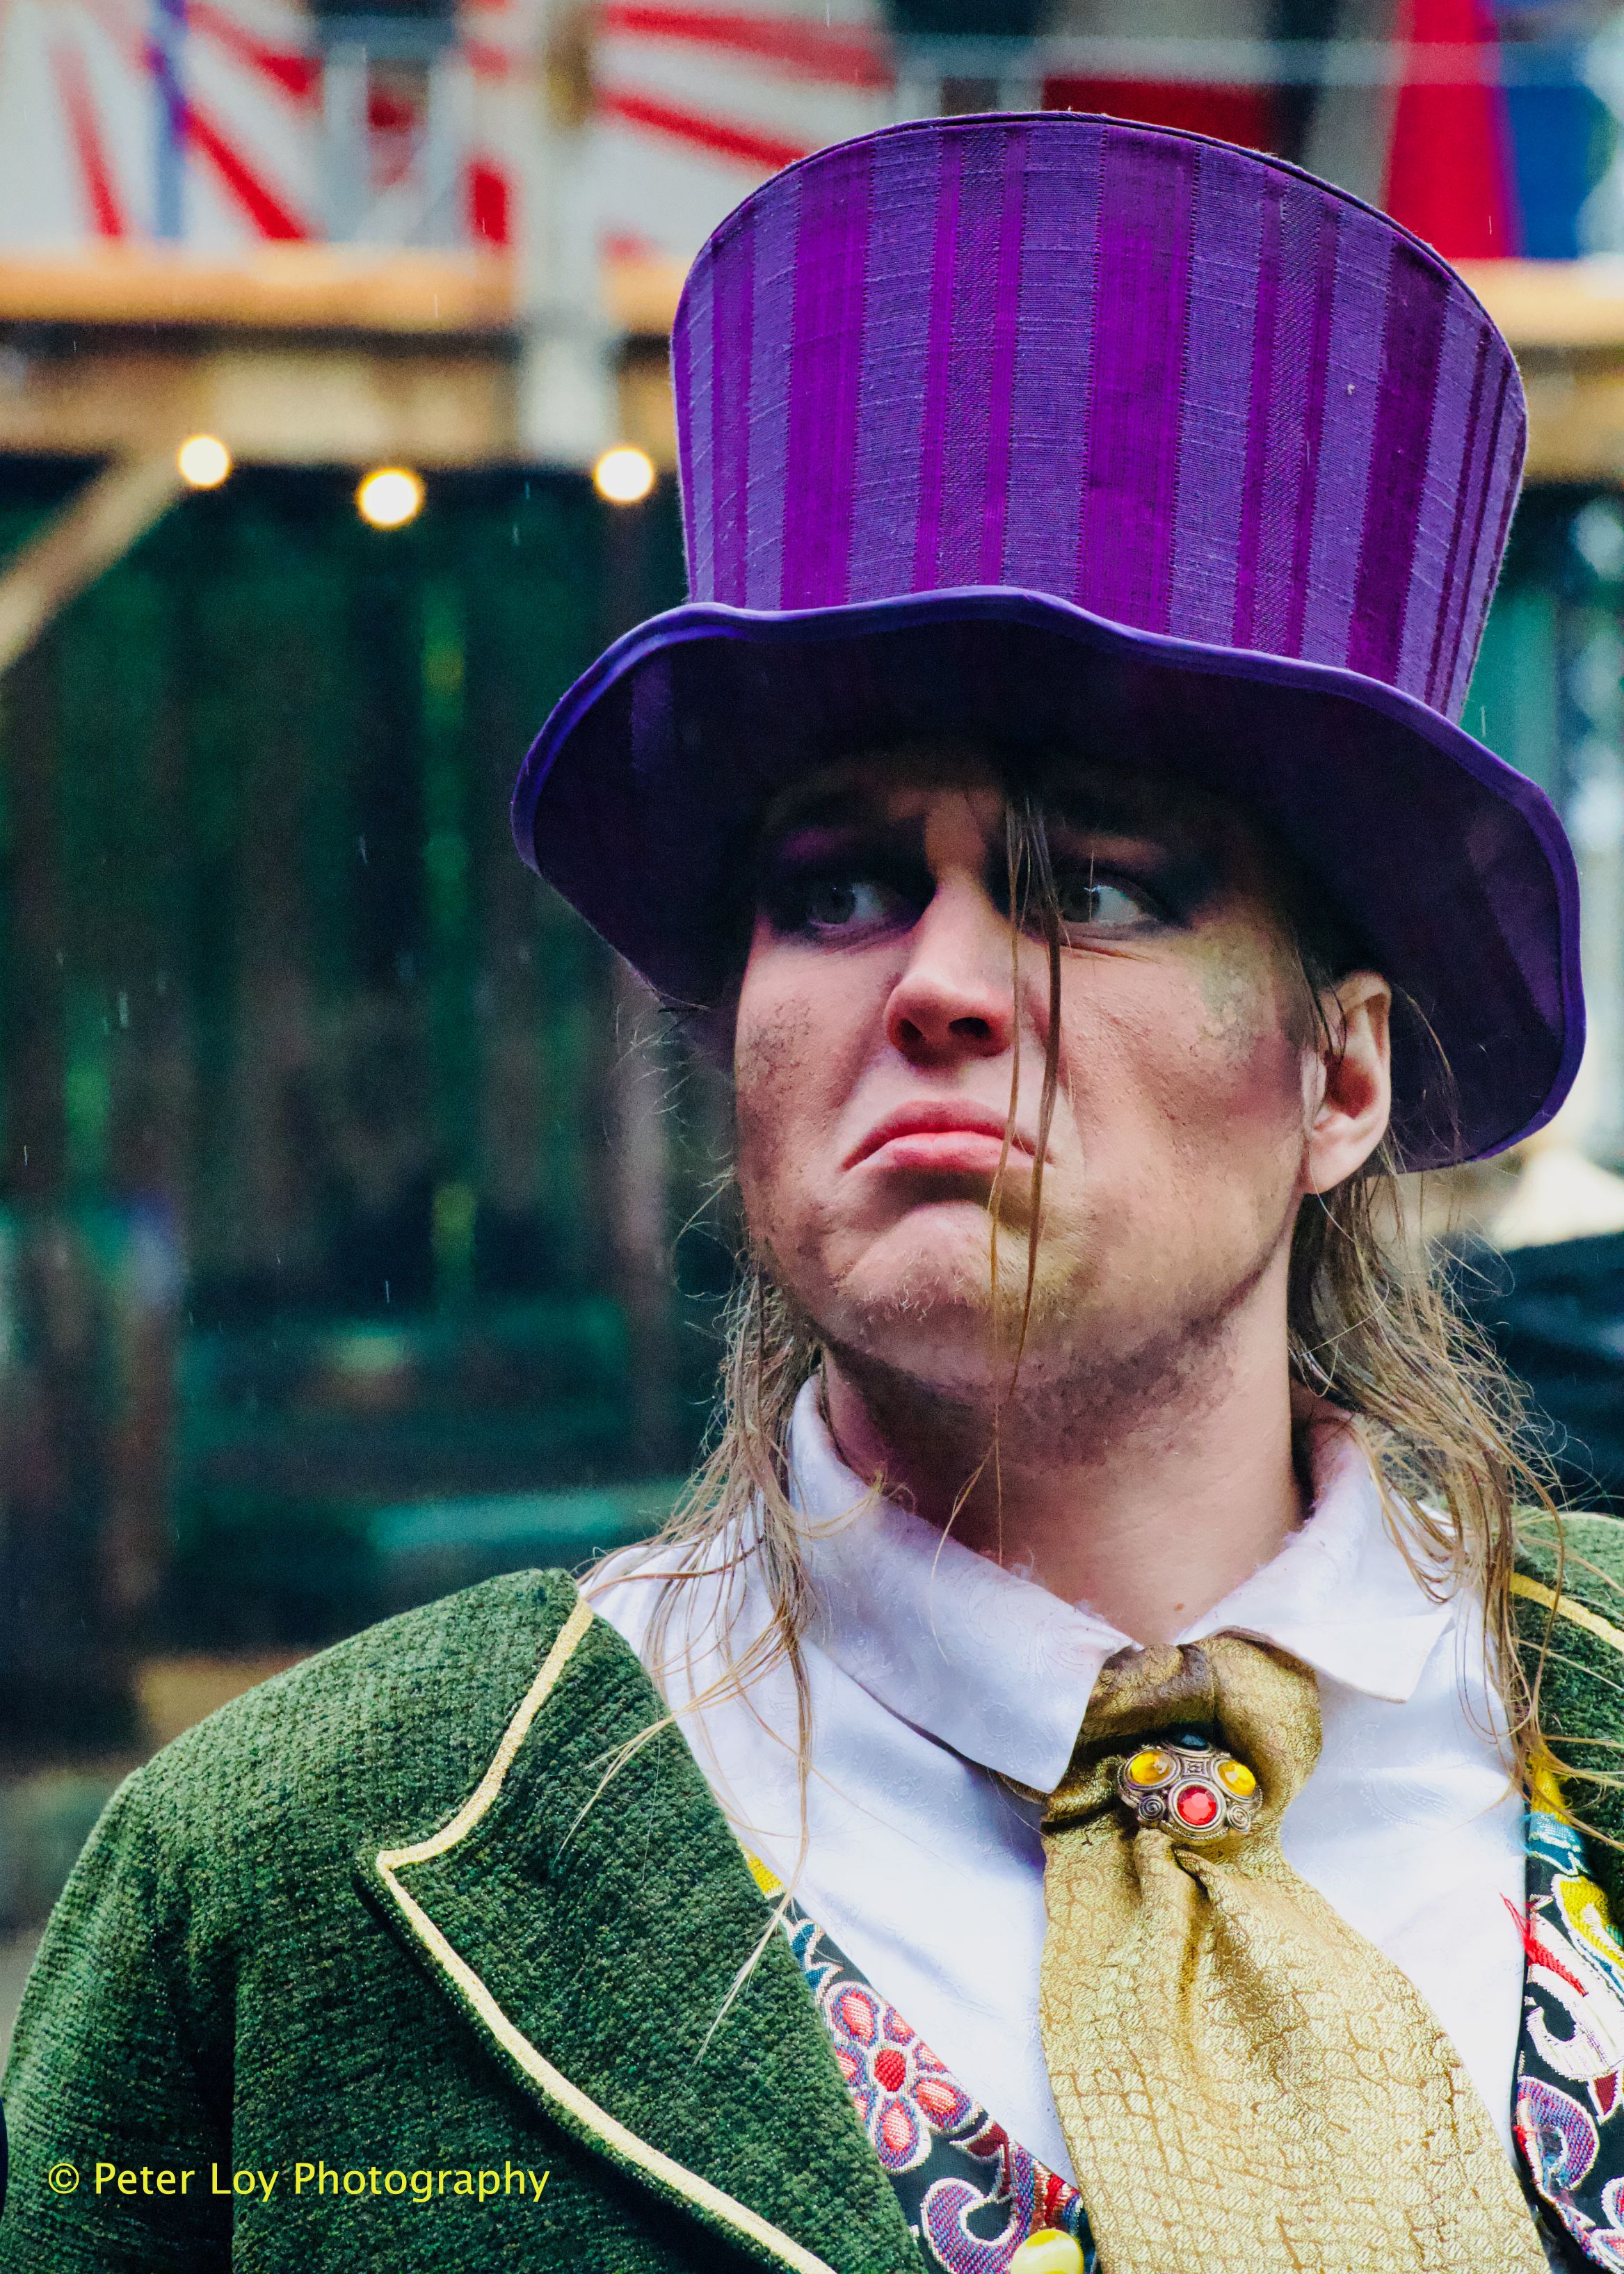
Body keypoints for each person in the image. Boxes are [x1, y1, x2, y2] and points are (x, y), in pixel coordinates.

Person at [3, 111, 1621, 2274]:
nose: (940, 983)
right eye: (841, 890)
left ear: (1341, 1075)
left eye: (1094, 890)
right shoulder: (297, 1896)